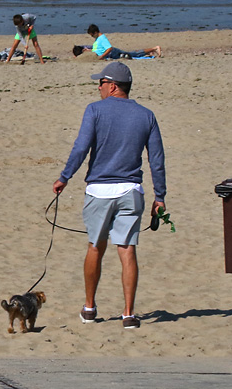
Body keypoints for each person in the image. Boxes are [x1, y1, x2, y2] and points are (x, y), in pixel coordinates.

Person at [52, 61, 166, 329]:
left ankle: (90, 307)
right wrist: (159, 196)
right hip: (130, 190)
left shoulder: (94, 110)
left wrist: (64, 177)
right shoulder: (146, 115)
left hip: (100, 190)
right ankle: (128, 314)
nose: (99, 88)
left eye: (101, 83)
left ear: (113, 85)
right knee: (127, 249)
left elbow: (81, 147)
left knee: (96, 245)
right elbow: (157, 160)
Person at [76, 25, 162, 60]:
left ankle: (155, 48)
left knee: (133, 54)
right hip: (110, 54)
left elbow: (109, 48)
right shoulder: (98, 39)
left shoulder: (102, 38)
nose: (92, 37)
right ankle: (150, 52)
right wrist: (88, 51)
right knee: (133, 54)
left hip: (114, 53)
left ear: (95, 32)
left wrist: (102, 56)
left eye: (92, 35)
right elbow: (98, 49)